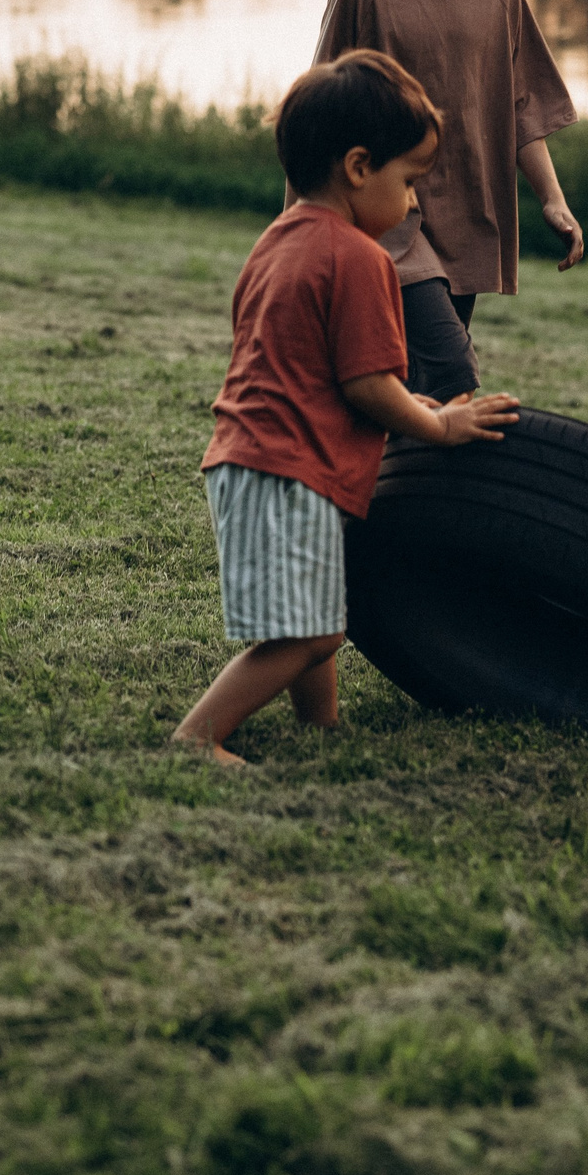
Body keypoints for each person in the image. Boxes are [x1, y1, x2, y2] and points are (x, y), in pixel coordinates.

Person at [172, 51, 521, 765]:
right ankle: (195, 737)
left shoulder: (276, 243)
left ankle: (319, 725)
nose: (417, 202)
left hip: (250, 458)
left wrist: (402, 399)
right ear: (358, 167)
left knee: (317, 610)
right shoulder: (362, 259)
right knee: (311, 633)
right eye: (410, 180)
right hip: (287, 468)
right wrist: (437, 421)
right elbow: (366, 383)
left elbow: (318, 369)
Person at [310, 0, 585, 403]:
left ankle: (389, 493)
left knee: (410, 388)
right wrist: (298, 228)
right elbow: (316, 120)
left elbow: (521, 110)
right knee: (456, 379)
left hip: (468, 220)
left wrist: (552, 199)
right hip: (388, 224)